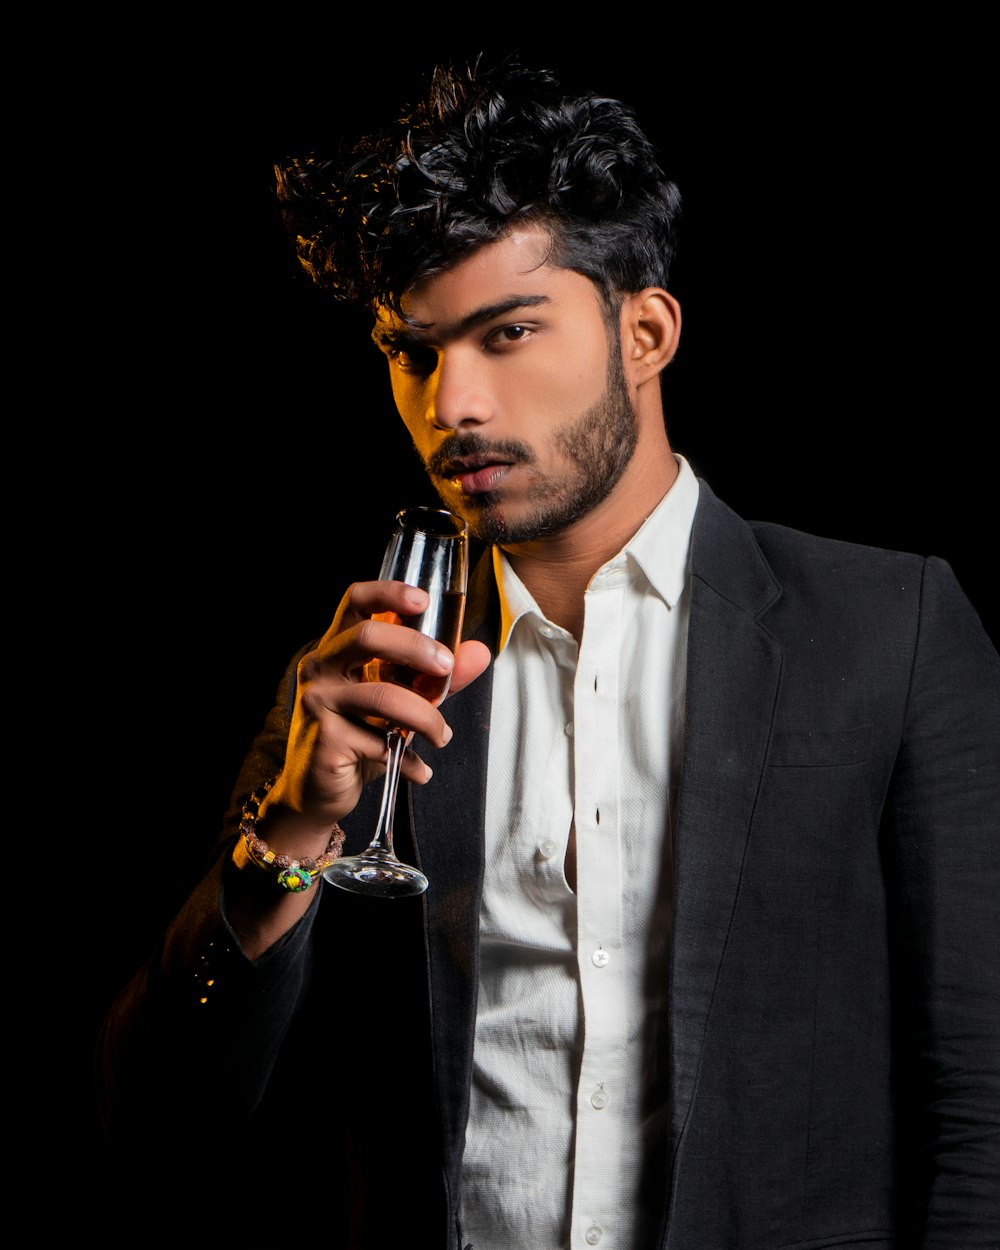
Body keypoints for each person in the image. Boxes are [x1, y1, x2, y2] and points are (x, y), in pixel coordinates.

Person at [97, 60, 999, 1247]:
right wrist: (293, 835)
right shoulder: (368, 674)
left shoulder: (891, 628)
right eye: (412, 353)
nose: (452, 403)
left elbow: (977, 1108)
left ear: (645, 330)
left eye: (507, 332)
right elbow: (163, 1112)